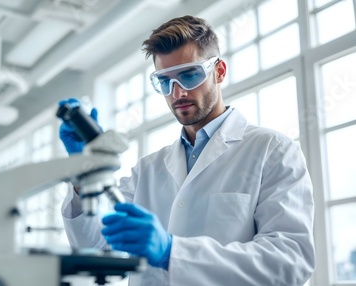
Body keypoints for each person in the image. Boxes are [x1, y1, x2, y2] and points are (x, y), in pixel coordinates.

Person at [58, 15, 315, 286]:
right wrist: (81, 174)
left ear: (219, 71)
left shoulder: (272, 151)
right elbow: (94, 244)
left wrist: (172, 252)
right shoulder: (148, 169)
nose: (177, 93)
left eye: (189, 75)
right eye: (164, 81)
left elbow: (289, 261)